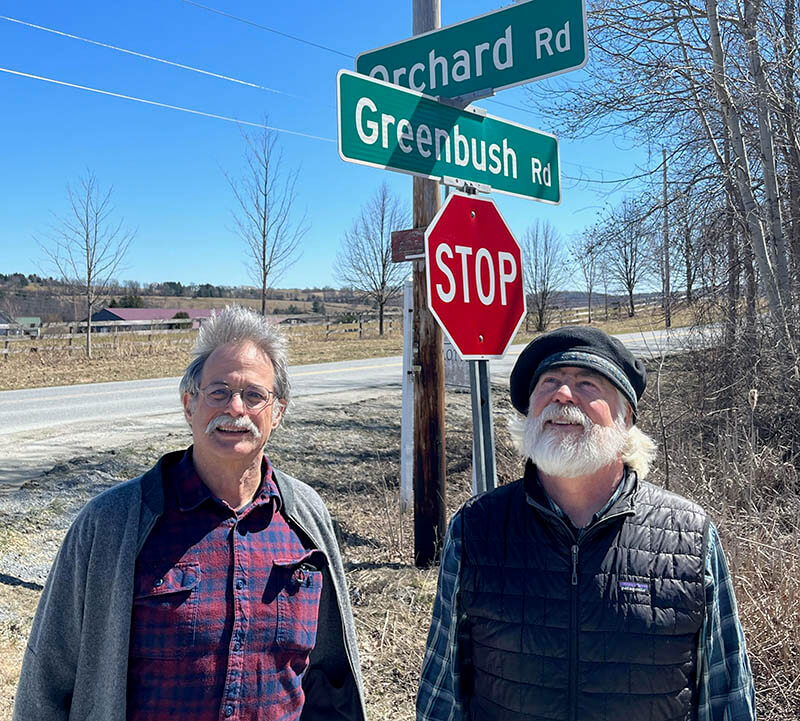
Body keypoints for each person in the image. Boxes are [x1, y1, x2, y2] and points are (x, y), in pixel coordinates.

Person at [14, 305, 366, 721]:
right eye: (218, 392)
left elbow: (331, 680)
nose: (235, 408)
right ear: (189, 404)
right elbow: (48, 680)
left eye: (254, 395)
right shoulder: (109, 525)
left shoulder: (305, 520)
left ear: (278, 412)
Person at [417, 326, 756, 721]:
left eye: (587, 383)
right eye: (550, 382)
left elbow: (726, 699)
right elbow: (442, 698)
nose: (563, 394)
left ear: (626, 417)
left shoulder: (690, 536)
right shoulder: (475, 529)